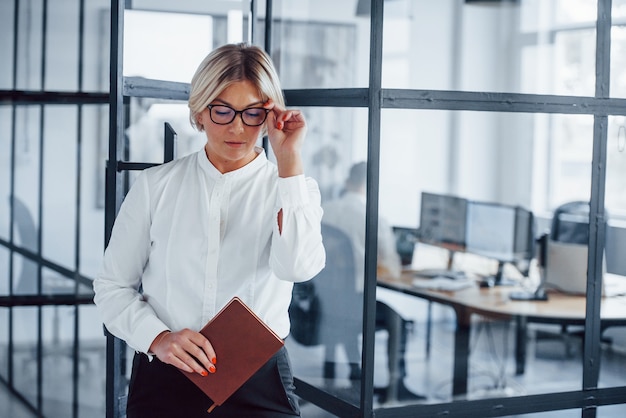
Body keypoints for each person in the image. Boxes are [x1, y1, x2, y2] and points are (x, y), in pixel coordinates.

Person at [93, 43, 326, 418]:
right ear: (199, 111)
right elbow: (111, 287)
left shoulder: (294, 188)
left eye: (252, 113)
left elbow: (297, 268)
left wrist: (290, 163)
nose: (237, 127)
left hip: (259, 383)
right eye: (222, 111)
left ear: (268, 116)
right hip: (164, 380)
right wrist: (158, 339)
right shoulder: (155, 187)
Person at [321, 161, 424, 403]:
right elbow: (391, 266)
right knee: (395, 318)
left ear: (348, 181)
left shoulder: (325, 209)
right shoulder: (374, 218)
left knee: (348, 307)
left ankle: (355, 373)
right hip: (355, 304)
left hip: (326, 301)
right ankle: (395, 386)